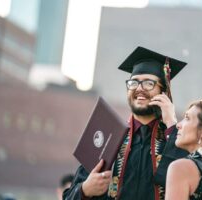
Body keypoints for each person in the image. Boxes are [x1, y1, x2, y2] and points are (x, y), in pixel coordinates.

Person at [63, 46, 188, 200]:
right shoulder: (110, 136)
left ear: (164, 93)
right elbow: (69, 197)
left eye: (149, 83)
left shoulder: (176, 139)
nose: (139, 89)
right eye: (134, 83)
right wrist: (85, 190)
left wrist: (172, 125)